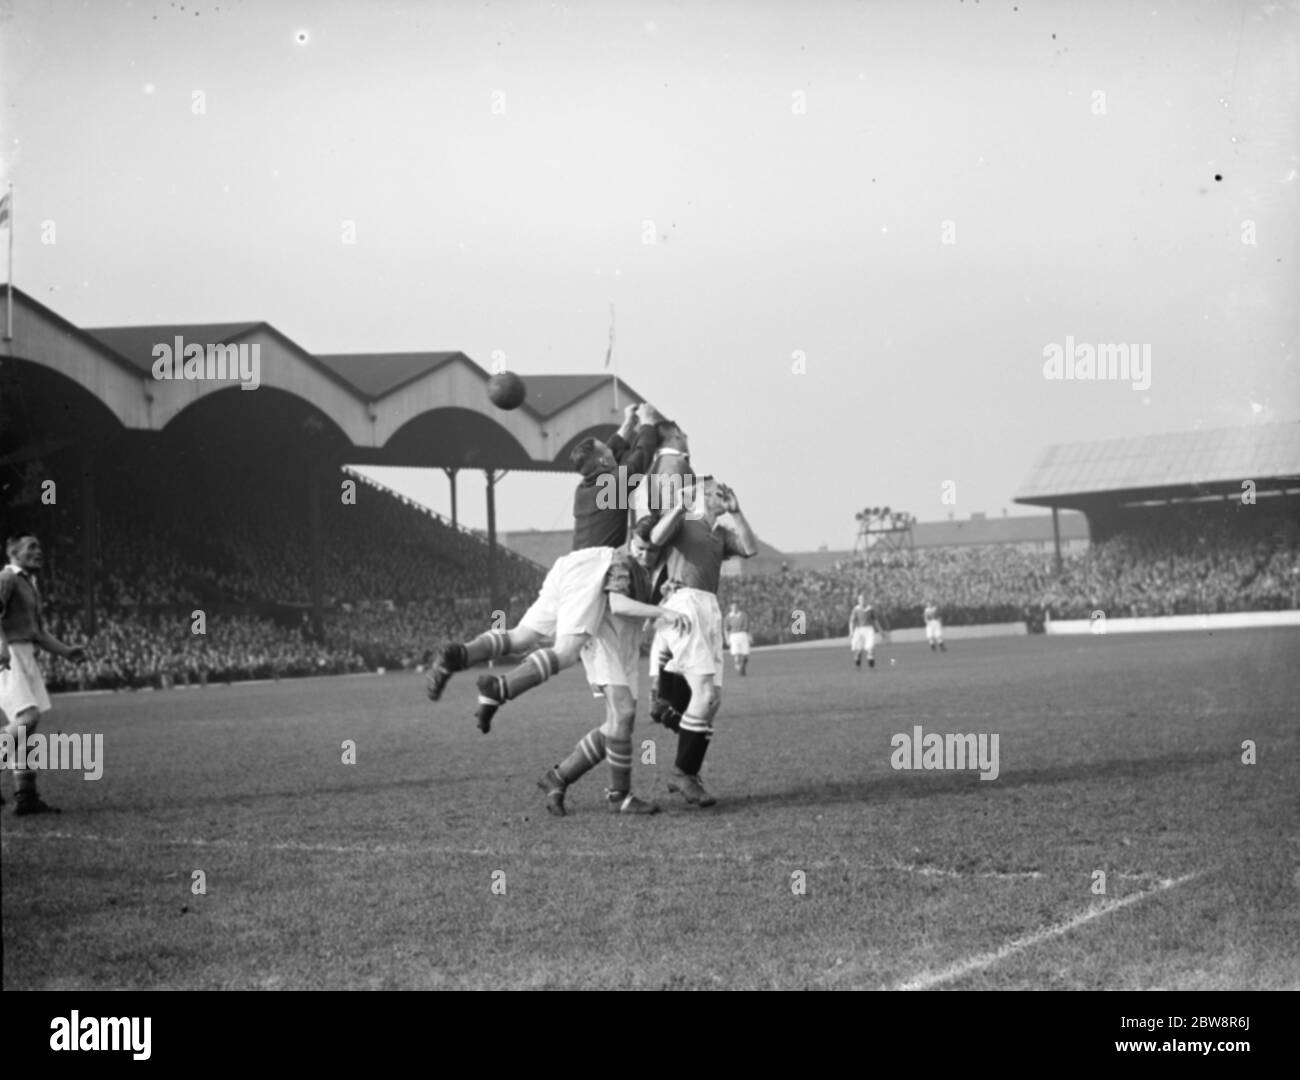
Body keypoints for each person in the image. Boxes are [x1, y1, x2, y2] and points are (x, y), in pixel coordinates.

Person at [536, 521, 676, 816]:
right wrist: (661, 609)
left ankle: (558, 777)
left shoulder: (649, 567)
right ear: (630, 540)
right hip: (603, 643)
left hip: (626, 646)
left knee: (619, 725)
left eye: (652, 551)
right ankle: (619, 796)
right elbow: (619, 603)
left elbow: (636, 605)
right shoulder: (620, 561)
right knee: (623, 715)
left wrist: (660, 594)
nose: (645, 556)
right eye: (640, 548)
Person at [649, 478, 758, 807]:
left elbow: (751, 549)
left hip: (710, 607)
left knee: (714, 700)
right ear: (703, 496)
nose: (724, 495)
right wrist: (681, 505)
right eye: (717, 492)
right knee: (705, 693)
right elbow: (655, 538)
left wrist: (737, 514)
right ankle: (682, 772)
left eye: (726, 492)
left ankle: (688, 771)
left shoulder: (721, 533)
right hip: (686, 604)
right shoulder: (685, 521)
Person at [0, 536, 87, 815]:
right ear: (13, 553)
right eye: (32, 547)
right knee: (28, 717)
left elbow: (37, 632)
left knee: (26, 729)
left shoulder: (30, 583)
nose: (39, 551)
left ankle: (25, 797)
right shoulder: (7, 577)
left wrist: (65, 651)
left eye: (40, 546)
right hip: (8, 653)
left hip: (24, 654)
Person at [849, 595, 883, 669]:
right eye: (860, 599)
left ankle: (872, 668)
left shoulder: (870, 609)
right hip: (859, 630)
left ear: (866, 600)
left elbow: (875, 620)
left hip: (869, 630)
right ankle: (857, 666)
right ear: (858, 600)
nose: (862, 601)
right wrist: (851, 631)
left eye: (863, 599)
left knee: (870, 648)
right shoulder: (856, 609)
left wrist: (880, 630)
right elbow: (851, 621)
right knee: (859, 651)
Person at [724, 602, 751, 676]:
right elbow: (726, 629)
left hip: (743, 634)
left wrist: (750, 636)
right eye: (733, 606)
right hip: (733, 635)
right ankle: (739, 669)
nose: (734, 608)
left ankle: (743, 666)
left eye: (736, 606)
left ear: (738, 607)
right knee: (736, 654)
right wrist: (727, 639)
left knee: (745, 654)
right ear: (730, 607)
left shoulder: (743, 615)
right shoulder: (728, 617)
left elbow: (748, 627)